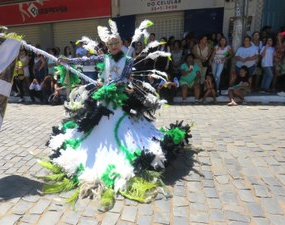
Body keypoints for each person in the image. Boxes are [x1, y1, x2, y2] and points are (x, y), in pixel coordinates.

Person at [45, 20, 191, 210]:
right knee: (94, 128)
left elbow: (123, 78)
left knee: (123, 130)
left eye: (116, 43)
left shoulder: (128, 60)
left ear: (121, 43)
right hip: (103, 100)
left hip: (118, 101)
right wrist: (67, 61)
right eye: (110, 43)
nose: (113, 46)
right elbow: (84, 61)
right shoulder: (103, 58)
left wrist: (110, 85)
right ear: (106, 45)